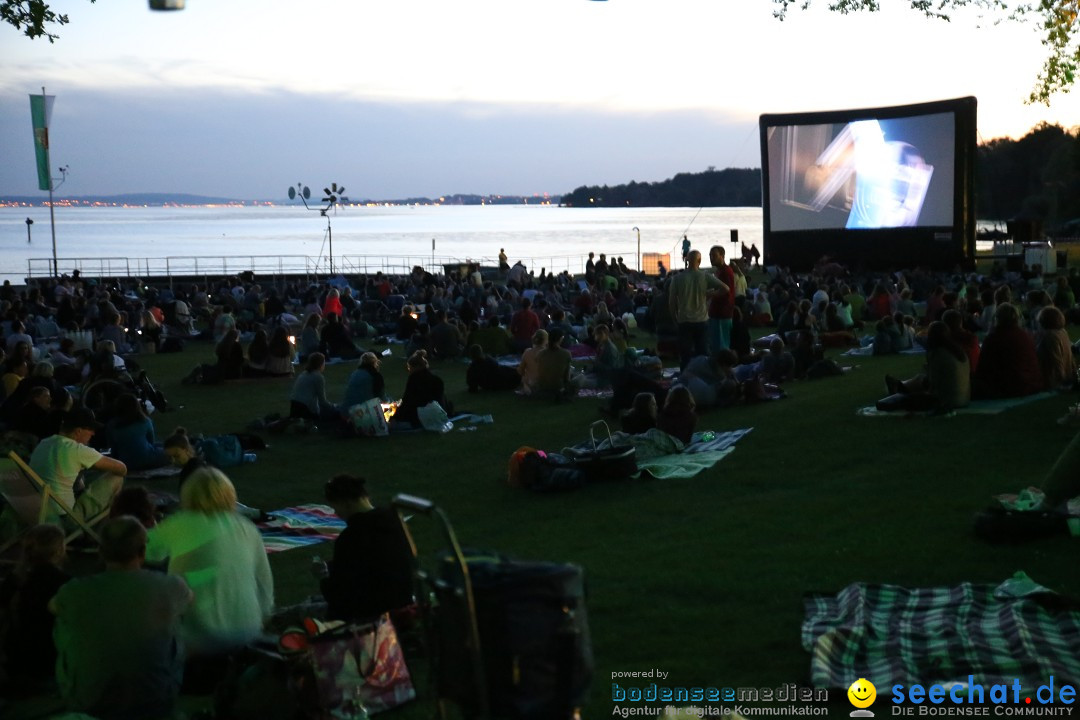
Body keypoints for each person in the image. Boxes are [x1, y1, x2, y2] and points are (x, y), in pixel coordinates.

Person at [51, 516, 193, 720]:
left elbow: (53, 606)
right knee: (175, 619)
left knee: (66, 621)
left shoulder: (75, 591)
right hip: (155, 699)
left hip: (89, 701)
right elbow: (190, 600)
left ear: (101, 552)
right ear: (143, 552)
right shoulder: (171, 586)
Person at [146, 467, 273, 655]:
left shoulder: (180, 524)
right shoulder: (247, 528)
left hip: (200, 636)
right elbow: (264, 584)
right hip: (248, 630)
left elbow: (146, 552)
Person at [313, 475, 414, 622]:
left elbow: (338, 596)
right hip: (402, 601)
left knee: (286, 616)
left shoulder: (351, 537)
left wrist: (323, 577)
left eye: (335, 508)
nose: (336, 514)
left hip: (369, 614)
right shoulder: (394, 520)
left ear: (345, 502)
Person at [29, 408, 127, 527]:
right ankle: (103, 528)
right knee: (116, 478)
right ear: (78, 431)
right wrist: (94, 465)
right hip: (67, 520)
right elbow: (122, 468)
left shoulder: (44, 443)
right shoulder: (77, 450)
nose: (93, 433)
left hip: (40, 514)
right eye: (90, 429)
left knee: (83, 478)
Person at [0, 524, 70, 687]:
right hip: (49, 661)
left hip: (16, 660)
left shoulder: (13, 582)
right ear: (59, 550)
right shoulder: (64, 584)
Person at [668, 250, 727, 369]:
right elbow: (725, 288)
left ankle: (685, 379)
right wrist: (711, 294)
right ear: (699, 261)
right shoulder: (705, 276)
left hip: (684, 320)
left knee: (685, 355)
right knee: (703, 353)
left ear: (687, 260)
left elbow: (672, 302)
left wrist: (675, 319)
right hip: (701, 320)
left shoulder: (677, 278)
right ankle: (703, 375)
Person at [974, 303, 1043, 399]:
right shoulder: (1025, 335)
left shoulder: (994, 338)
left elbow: (983, 368)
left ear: (997, 318)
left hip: (1010, 386)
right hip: (1031, 384)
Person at [105, 393, 169, 472]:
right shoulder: (145, 421)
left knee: (161, 444)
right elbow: (151, 442)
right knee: (169, 449)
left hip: (126, 463)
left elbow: (113, 446)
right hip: (148, 459)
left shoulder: (112, 425)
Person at [396, 350, 452, 427]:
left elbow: (408, 401)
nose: (409, 370)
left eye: (409, 368)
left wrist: (396, 415)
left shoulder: (414, 379)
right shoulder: (436, 379)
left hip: (421, 415)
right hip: (438, 413)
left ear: (415, 367)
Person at [1034, 305, 1076, 391]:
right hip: (1066, 375)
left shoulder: (1049, 336)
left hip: (1053, 380)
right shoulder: (1062, 332)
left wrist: (1062, 381)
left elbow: (1056, 360)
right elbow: (1070, 357)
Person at [290, 352, 336, 422]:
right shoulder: (318, 377)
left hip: (294, 407)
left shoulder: (304, 374)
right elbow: (322, 401)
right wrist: (334, 407)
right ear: (321, 364)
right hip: (306, 409)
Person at [535, 329, 577, 398]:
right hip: (558, 388)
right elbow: (566, 378)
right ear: (560, 339)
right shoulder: (566, 354)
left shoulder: (540, 353)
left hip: (542, 387)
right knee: (580, 378)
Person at [518, 329, 547, 394]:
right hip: (545, 382)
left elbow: (520, 370)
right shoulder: (548, 353)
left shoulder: (527, 352)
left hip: (530, 382)